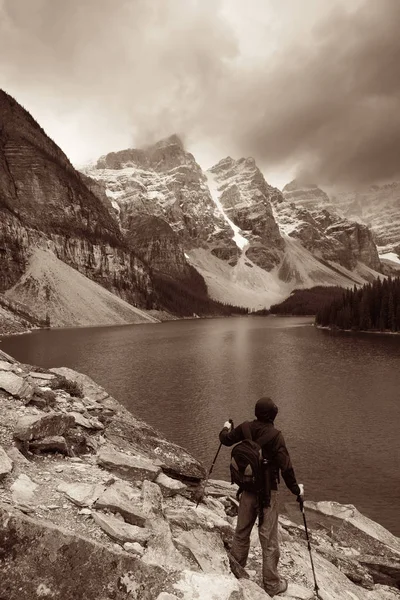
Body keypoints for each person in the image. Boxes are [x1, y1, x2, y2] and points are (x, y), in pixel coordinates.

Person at [219, 396, 304, 597]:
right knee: (269, 540)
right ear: (272, 414)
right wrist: (297, 491)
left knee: (241, 532)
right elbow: (287, 468)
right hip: (268, 494)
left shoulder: (245, 427)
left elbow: (224, 440)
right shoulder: (276, 436)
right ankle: (272, 585)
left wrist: (225, 427)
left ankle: (237, 572)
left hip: (247, 490)